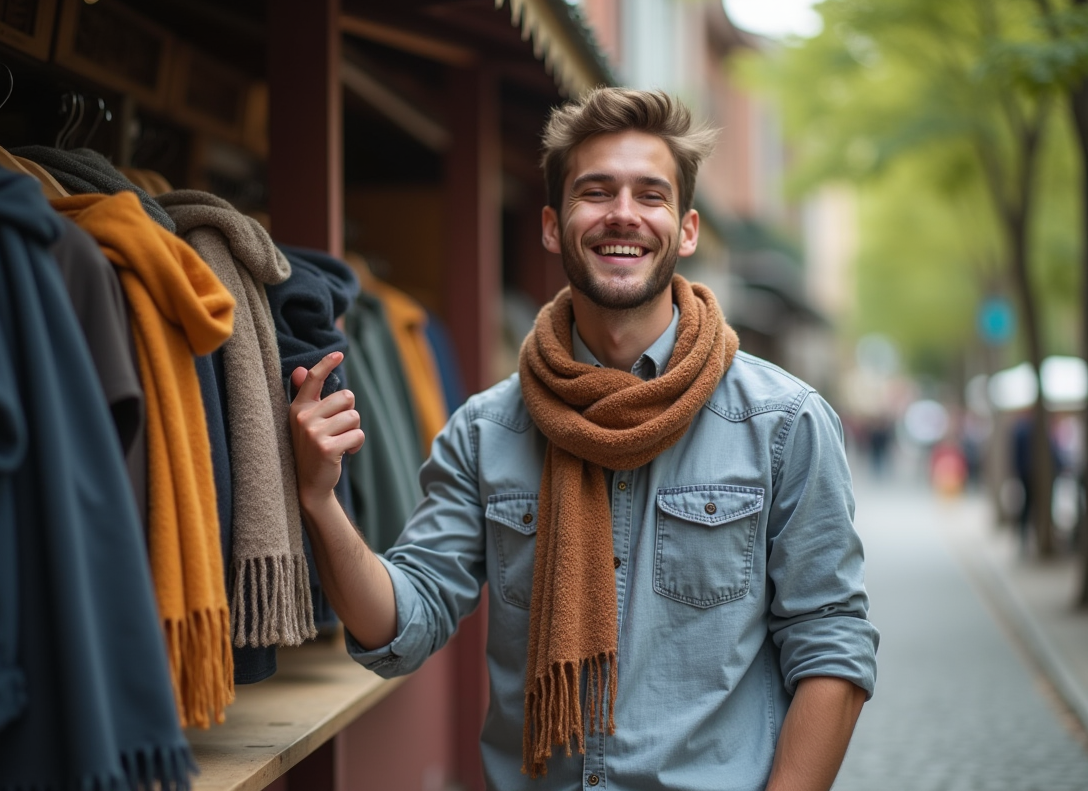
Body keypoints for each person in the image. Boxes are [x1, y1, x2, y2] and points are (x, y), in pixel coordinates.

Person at [289, 88, 879, 791]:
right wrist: (321, 502)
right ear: (552, 224)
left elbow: (831, 646)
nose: (623, 214)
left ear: (686, 229)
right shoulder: (484, 433)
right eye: (596, 191)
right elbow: (403, 626)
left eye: (650, 194)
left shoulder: (783, 423)